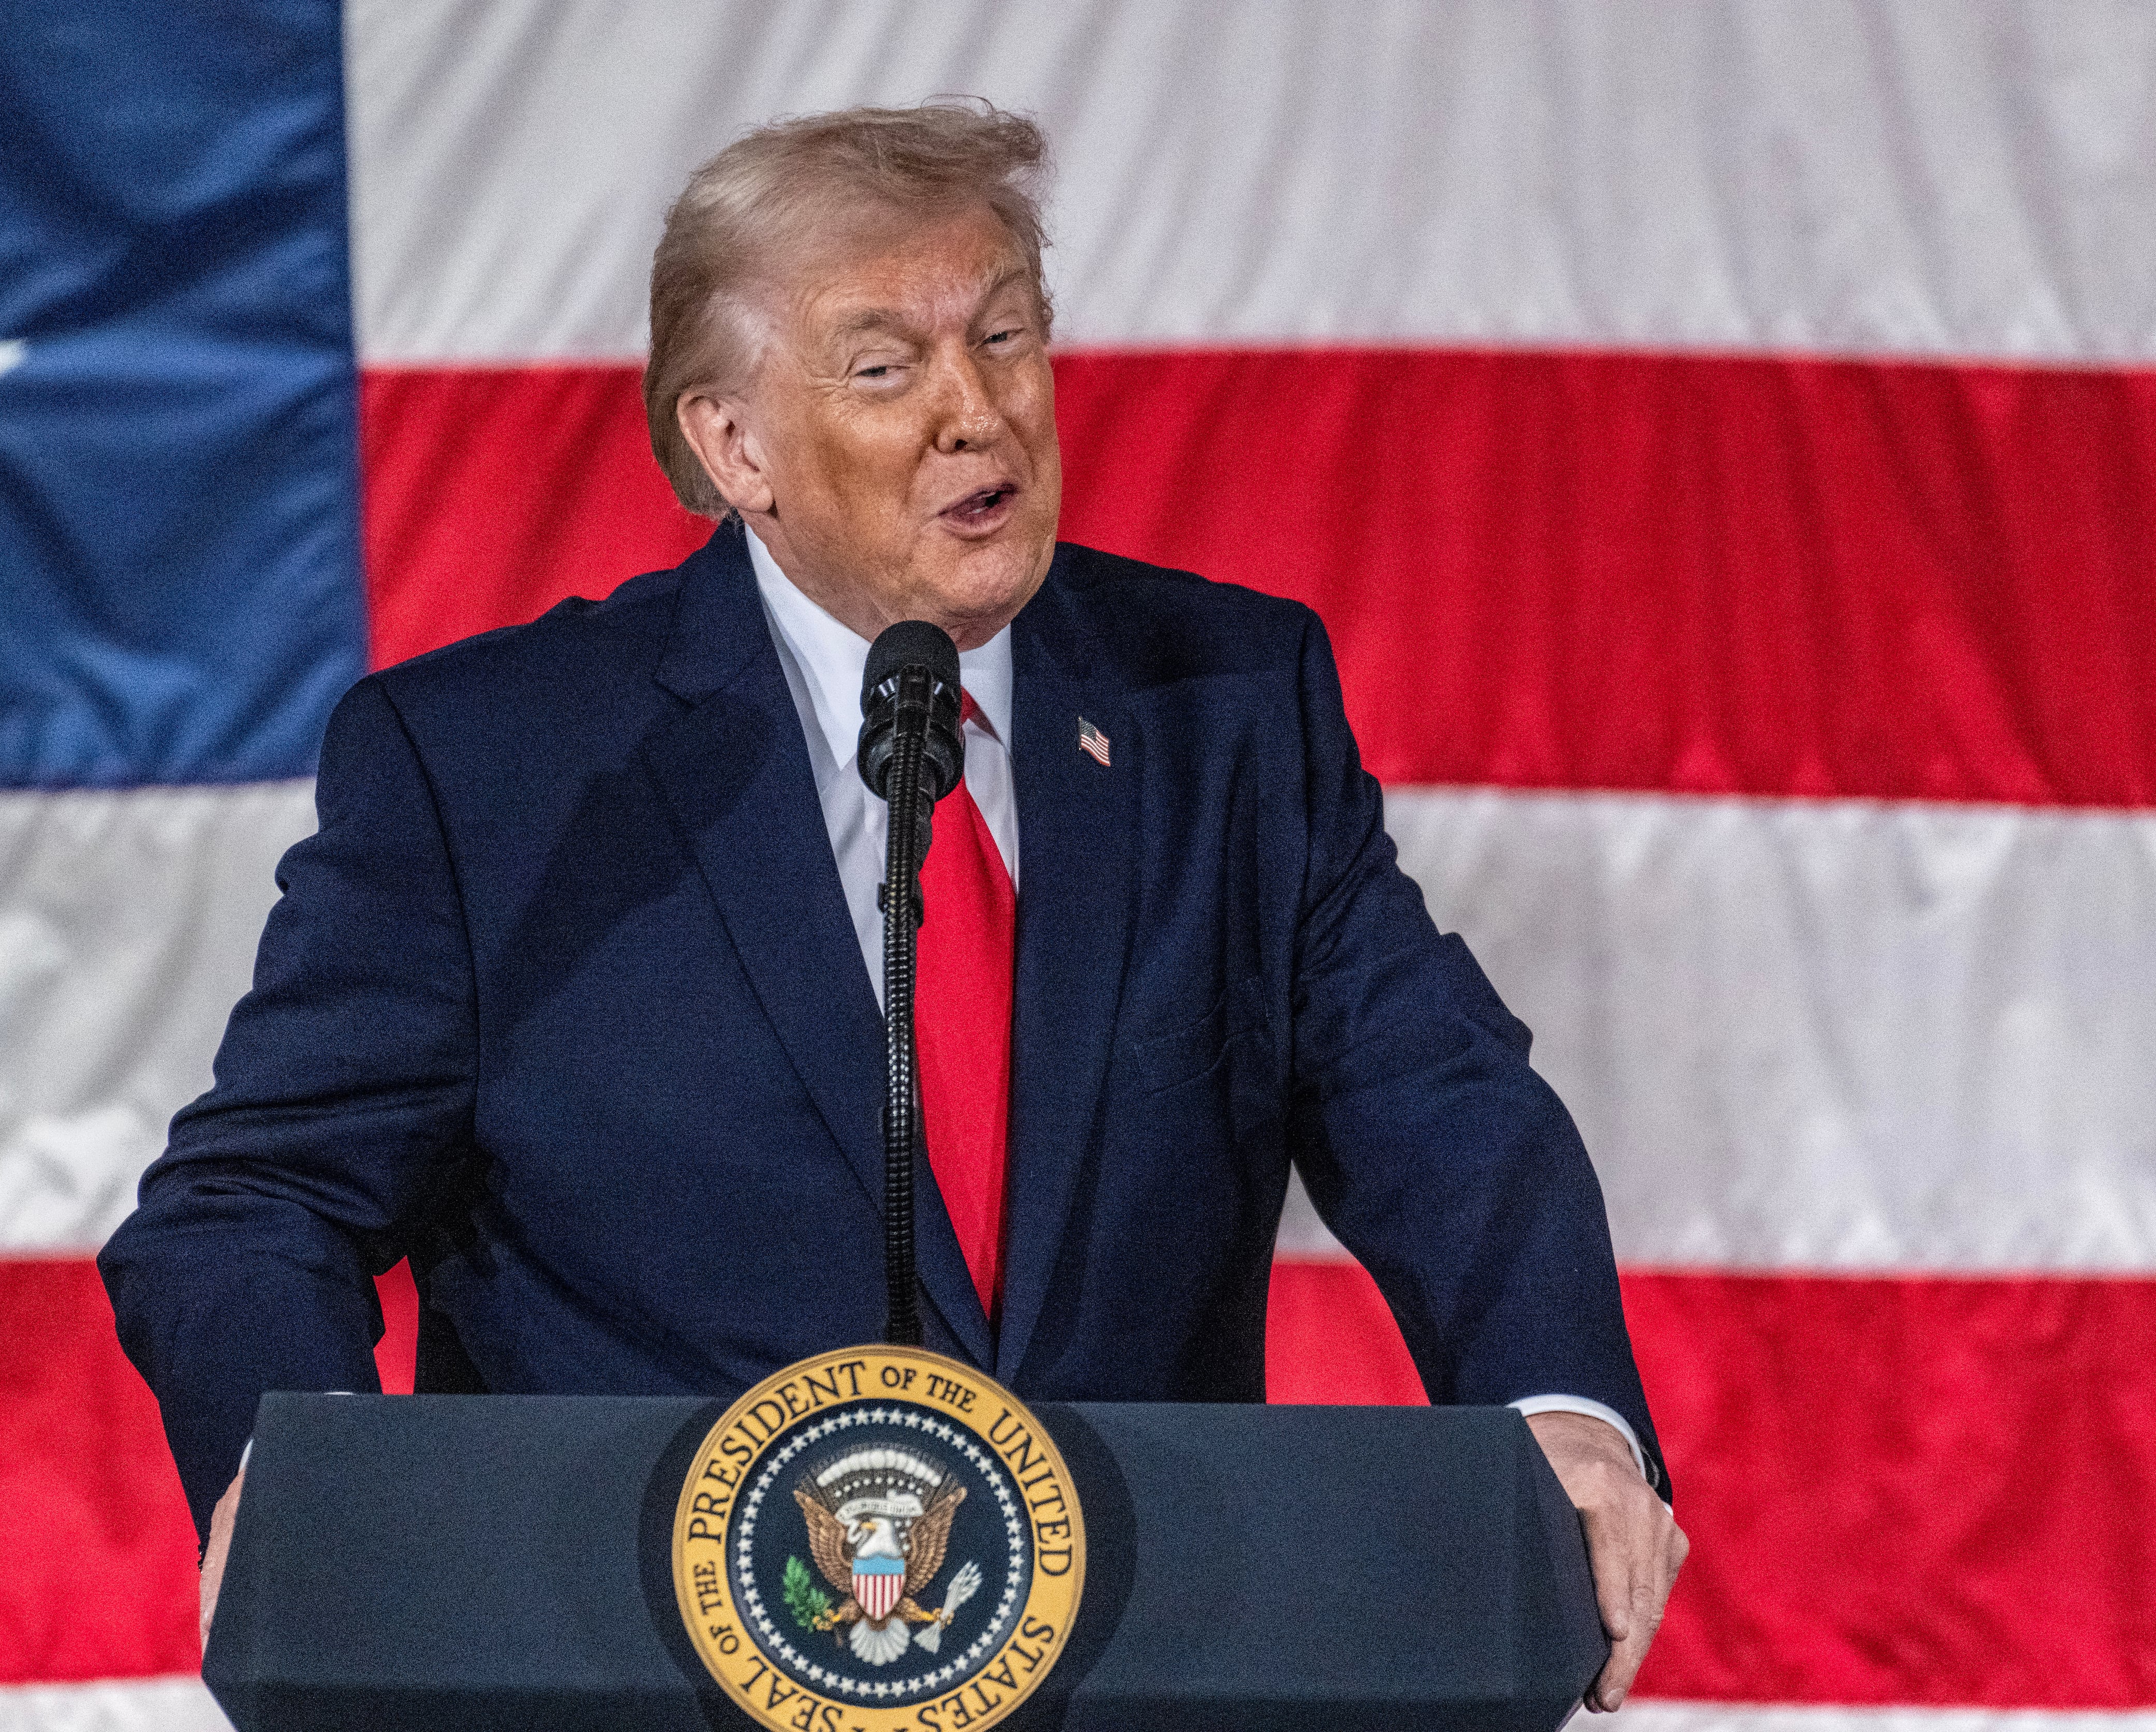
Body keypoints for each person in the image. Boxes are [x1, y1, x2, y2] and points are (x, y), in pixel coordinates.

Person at [100, 101, 1687, 1709]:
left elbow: (1438, 1102)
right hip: (626, 1670)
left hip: (1140, 1661)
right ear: (734, 446)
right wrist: (304, 1484)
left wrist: (1562, 1410)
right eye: (883, 368)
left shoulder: (1226, 703)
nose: (975, 410)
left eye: (1005, 337)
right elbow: (251, 1206)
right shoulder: (496, 768)